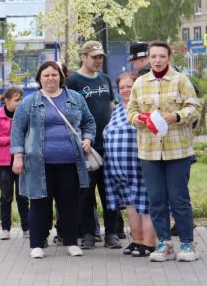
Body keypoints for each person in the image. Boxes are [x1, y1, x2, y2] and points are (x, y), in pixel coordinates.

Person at [126, 41, 202, 262]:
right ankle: (164, 244)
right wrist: (138, 119)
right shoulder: (140, 83)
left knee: (179, 198)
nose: (157, 60)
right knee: (156, 199)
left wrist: (176, 116)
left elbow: (194, 107)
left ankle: (187, 245)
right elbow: (130, 111)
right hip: (149, 152)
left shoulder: (180, 80)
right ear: (148, 58)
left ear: (169, 58)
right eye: (153, 56)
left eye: (162, 56)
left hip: (177, 150)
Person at [12, 61, 96, 259]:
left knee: (68, 203)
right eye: (46, 75)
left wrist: (87, 138)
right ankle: (36, 244)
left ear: (61, 77)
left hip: (70, 162)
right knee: (40, 202)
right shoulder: (29, 102)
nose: (50, 78)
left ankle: (71, 242)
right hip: (38, 162)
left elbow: (89, 122)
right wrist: (17, 156)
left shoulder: (75, 98)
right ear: (39, 79)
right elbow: (17, 129)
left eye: (54, 75)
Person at [66, 41, 122, 250]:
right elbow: (68, 113)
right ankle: (89, 233)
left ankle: (112, 233)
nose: (98, 61)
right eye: (94, 57)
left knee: (109, 191)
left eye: (100, 57)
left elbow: (111, 106)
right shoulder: (73, 81)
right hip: (86, 146)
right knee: (85, 192)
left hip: (108, 145)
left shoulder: (106, 79)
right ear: (83, 57)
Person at [103, 73, 156, 257]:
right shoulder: (117, 109)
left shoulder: (143, 107)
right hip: (119, 169)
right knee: (131, 205)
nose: (125, 90)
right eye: (122, 87)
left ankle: (149, 244)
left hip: (140, 164)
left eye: (129, 86)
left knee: (145, 204)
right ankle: (137, 241)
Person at [0, 86, 28, 240]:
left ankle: (26, 228)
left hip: (22, 160)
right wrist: (12, 140)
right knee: (6, 197)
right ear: (7, 100)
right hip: (3, 164)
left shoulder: (24, 115)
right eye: (17, 100)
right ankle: (5, 229)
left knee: (23, 196)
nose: (20, 102)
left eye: (21, 99)